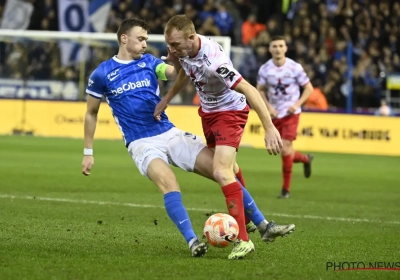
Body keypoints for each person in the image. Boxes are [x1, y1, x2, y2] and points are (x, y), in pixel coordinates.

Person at [82, 18, 295, 260]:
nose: (145, 44)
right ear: (124, 38)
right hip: (141, 143)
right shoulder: (102, 74)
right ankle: (193, 241)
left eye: (146, 40)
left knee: (221, 171)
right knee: (172, 183)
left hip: (171, 133)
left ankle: (260, 224)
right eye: (141, 39)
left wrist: (173, 63)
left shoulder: (151, 62)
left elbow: (173, 72)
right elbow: (91, 113)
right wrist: (88, 152)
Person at [153, 15, 288, 259]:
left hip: (230, 112)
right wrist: (166, 99)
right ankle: (260, 224)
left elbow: (249, 89)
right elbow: (184, 70)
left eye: (174, 45)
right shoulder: (184, 50)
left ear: (192, 38)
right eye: (168, 44)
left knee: (220, 171)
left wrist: (269, 127)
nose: (170, 50)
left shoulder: (213, 60)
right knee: (231, 170)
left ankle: (244, 241)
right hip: (208, 114)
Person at [256, 36, 314, 198]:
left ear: (286, 48)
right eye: (274, 46)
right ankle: (305, 159)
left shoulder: (295, 67)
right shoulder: (265, 69)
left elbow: (309, 88)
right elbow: (259, 89)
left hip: (291, 113)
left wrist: (296, 105)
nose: (278, 49)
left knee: (286, 147)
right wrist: (269, 107)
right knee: (285, 150)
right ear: (270, 49)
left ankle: (285, 190)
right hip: (274, 114)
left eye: (281, 46)